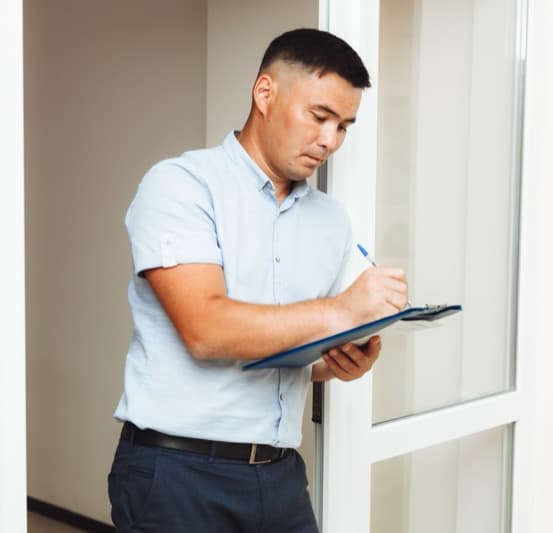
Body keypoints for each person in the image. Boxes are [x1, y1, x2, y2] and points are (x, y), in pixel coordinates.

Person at [108, 28, 408, 532]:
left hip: (280, 478)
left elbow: (284, 347)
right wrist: (341, 311)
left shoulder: (332, 221)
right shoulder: (180, 186)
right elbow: (207, 330)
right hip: (178, 476)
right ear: (265, 93)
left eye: (344, 127)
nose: (329, 141)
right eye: (319, 117)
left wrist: (338, 358)